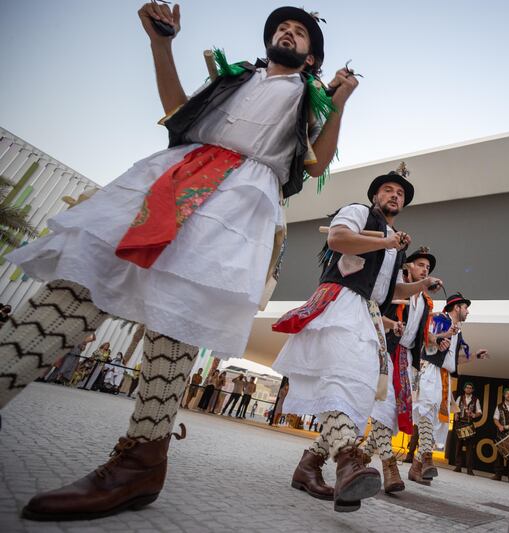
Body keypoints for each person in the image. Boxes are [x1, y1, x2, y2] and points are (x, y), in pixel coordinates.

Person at [0, 3, 357, 521]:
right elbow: (176, 113)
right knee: (84, 278)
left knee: (179, 317)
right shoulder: (234, 78)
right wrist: (161, 45)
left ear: (311, 56)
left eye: (300, 32)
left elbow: (317, 163)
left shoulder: (309, 97)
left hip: (238, 199)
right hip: (175, 175)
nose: (288, 31)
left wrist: (340, 102)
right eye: (283, 25)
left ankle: (141, 460)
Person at [273, 165, 443, 512]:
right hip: (340, 301)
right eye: (389, 190)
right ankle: (349, 464)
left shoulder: (393, 244)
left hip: (367, 314)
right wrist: (386, 241)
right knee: (339, 382)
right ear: (375, 195)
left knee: (359, 394)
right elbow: (337, 239)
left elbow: (389, 288)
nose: (395, 196)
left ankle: (309, 465)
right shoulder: (359, 212)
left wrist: (420, 285)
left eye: (400, 194)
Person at [361, 246, 437, 494]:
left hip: (405, 359)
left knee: (391, 413)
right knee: (384, 407)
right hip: (385, 349)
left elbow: (421, 336)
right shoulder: (394, 286)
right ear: (408, 266)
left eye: (428, 268)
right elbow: (372, 311)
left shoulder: (425, 302)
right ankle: (389, 467)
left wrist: (440, 338)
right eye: (420, 265)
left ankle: (359, 457)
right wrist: (392, 324)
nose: (425, 270)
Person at [410, 293, 488, 485]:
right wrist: (443, 336)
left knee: (436, 420)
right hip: (429, 370)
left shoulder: (458, 332)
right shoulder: (439, 319)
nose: (467, 311)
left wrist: (474, 356)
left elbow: (454, 360)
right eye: (465, 307)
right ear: (456, 308)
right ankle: (426, 459)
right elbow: (427, 338)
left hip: (443, 377)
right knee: (426, 413)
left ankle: (416, 467)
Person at [453, 381, 482, 475]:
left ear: (472, 390)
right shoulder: (460, 398)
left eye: (470, 388)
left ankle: (469, 469)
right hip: (460, 423)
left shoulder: (475, 399)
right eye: (467, 387)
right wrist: (456, 414)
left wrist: (474, 414)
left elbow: (479, 412)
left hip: (469, 424)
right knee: (459, 446)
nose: (468, 389)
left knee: (469, 447)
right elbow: (455, 407)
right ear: (464, 389)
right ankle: (458, 466)